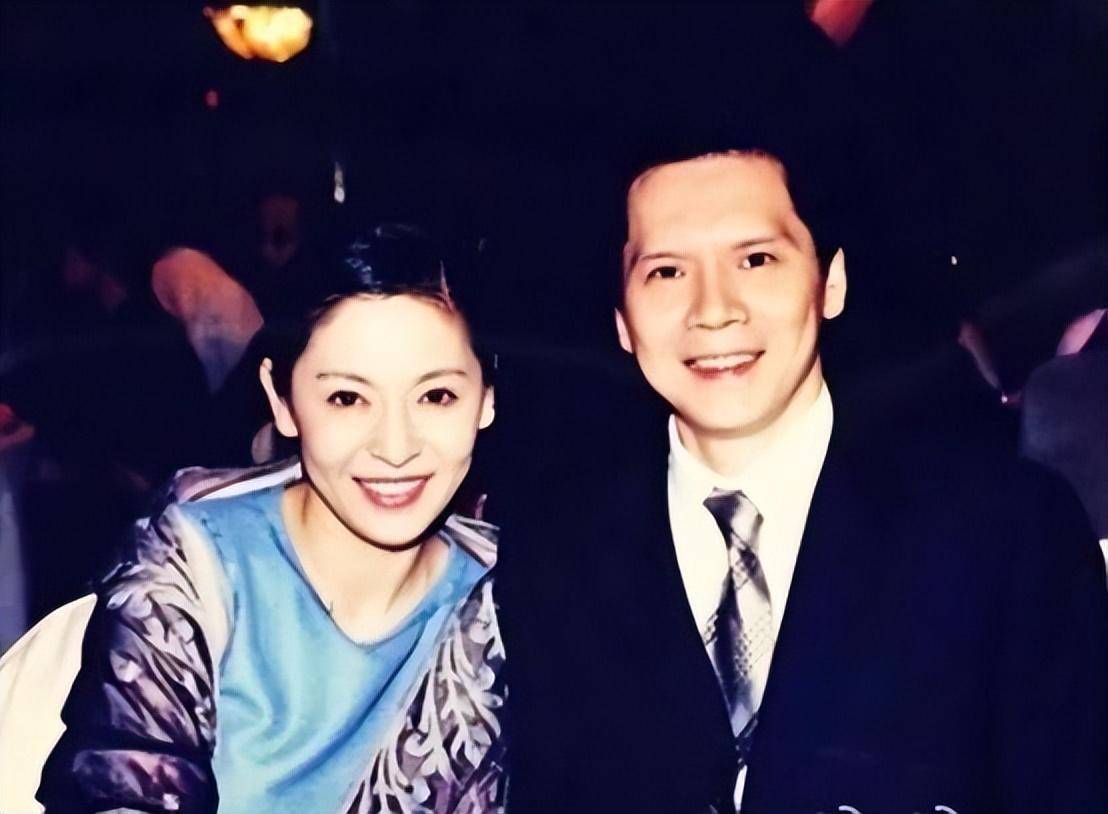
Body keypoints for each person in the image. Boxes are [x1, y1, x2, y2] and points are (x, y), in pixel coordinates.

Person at [496, 149, 1108, 813]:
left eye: (756, 259)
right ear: (622, 318)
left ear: (830, 282)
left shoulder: (1006, 531)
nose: (714, 310)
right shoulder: (551, 559)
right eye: (667, 271)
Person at [11, 223, 504, 813]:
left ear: (486, 397)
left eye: (436, 396)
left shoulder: (512, 597)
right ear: (281, 400)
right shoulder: (199, 568)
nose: (395, 448)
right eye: (347, 398)